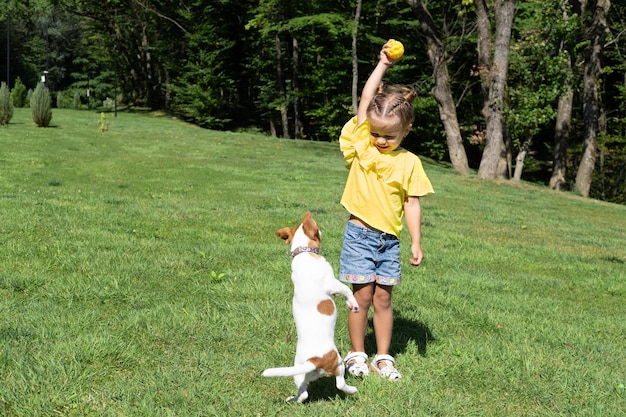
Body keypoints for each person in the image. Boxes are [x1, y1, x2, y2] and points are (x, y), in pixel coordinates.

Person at [338, 40, 434, 381]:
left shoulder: (410, 163)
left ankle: (383, 356)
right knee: (360, 298)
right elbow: (366, 101)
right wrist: (383, 65)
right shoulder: (362, 146)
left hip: (388, 242)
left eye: (388, 135)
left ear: (405, 130)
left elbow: (412, 202)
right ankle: (356, 354)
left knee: (383, 299)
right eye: (376, 132)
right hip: (359, 235)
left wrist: (416, 242)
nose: (379, 139)